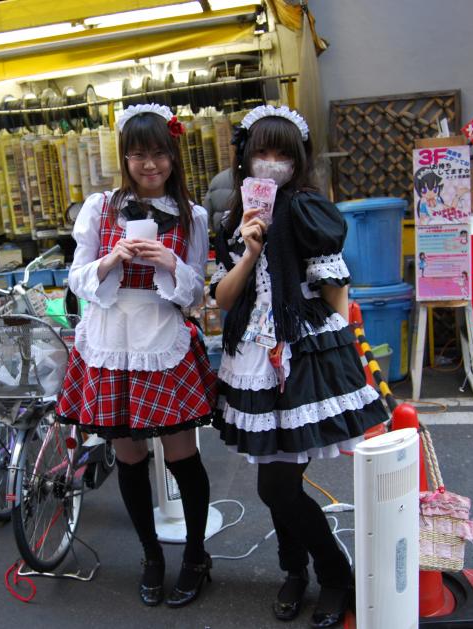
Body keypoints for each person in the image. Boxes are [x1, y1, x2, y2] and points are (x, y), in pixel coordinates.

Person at [210, 105, 387, 628]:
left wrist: (339, 357)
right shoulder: (232, 218)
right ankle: (299, 572)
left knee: (276, 485)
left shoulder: (308, 209)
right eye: (261, 153)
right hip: (252, 355)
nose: (271, 164)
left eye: (283, 154)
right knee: (275, 479)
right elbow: (224, 298)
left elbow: (335, 289)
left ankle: (331, 573)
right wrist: (247, 250)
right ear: (244, 157)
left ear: (298, 160)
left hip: (302, 353)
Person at [55, 104, 215, 609]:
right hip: (109, 343)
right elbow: (76, 279)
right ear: (125, 158)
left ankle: (194, 556)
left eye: (160, 154)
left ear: (173, 155)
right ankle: (151, 556)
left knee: (182, 455)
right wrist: (110, 260)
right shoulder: (99, 207)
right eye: (139, 155)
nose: (151, 165)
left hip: (161, 340)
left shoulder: (194, 215)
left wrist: (171, 264)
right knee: (128, 456)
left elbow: (195, 295)